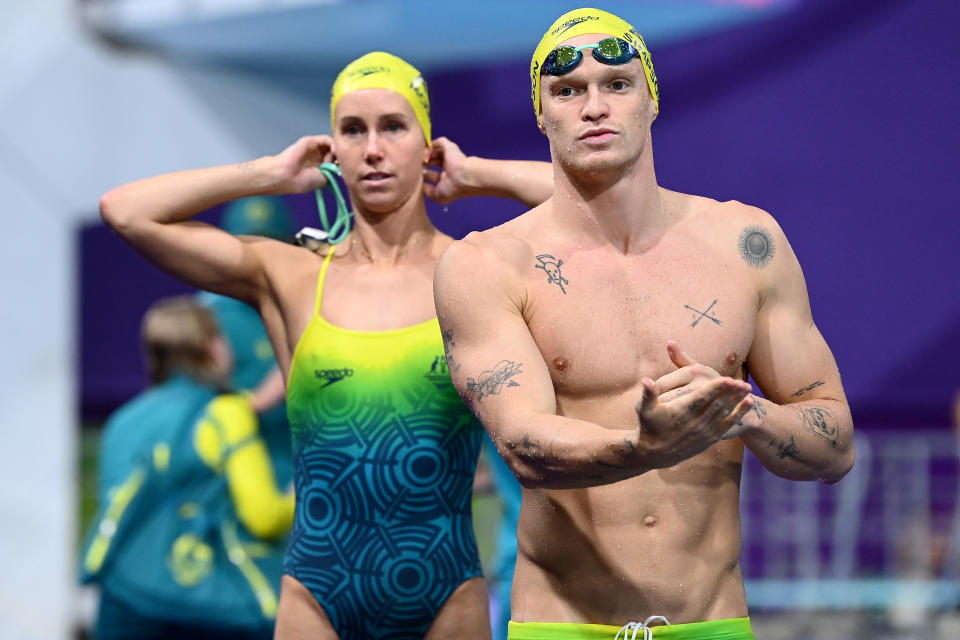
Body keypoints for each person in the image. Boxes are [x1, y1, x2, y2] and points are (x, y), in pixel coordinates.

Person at [433, 8, 855, 640]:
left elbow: (837, 447)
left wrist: (743, 416)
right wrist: (645, 448)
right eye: (568, 91)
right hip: (563, 626)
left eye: (617, 83)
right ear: (541, 114)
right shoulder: (487, 266)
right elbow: (523, 446)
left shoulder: (746, 244)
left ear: (651, 99)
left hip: (711, 624)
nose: (594, 106)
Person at [99, 51, 552, 639]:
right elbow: (127, 212)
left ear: (427, 144)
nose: (373, 150)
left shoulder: (473, 270)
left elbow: (600, 213)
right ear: (331, 149)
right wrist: (266, 173)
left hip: (447, 594)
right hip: (317, 592)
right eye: (352, 130)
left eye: (394, 126)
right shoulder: (289, 276)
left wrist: (478, 174)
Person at [81, 297, 293, 640]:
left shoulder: (123, 419)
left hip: (123, 595)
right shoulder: (226, 414)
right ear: (211, 348)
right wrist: (301, 497)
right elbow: (263, 516)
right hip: (203, 601)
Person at [200, 196, 297, 487]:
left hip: (307, 481)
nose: (259, 259)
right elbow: (190, 414)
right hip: (232, 485)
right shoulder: (208, 319)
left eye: (272, 246)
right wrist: (254, 404)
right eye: (247, 248)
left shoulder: (312, 309)